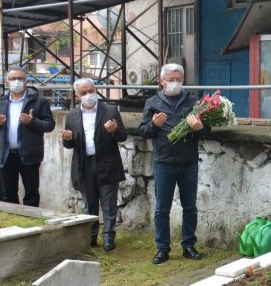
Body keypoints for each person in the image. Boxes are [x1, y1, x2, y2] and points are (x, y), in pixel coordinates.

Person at [137, 63, 205, 264]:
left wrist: (199, 128)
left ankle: (189, 246)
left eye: (178, 79)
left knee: (190, 207)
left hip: (188, 162)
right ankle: (162, 248)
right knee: (162, 209)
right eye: (171, 79)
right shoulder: (153, 102)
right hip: (163, 163)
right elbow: (142, 131)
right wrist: (153, 125)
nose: (175, 83)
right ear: (162, 81)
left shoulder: (193, 101)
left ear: (183, 80)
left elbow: (207, 130)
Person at [61, 78, 127, 251]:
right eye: (84, 93)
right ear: (77, 95)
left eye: (91, 91)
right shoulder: (72, 115)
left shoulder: (110, 110)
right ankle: (90, 236)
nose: (88, 95)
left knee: (108, 203)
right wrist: (67, 139)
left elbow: (122, 136)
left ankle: (108, 237)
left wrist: (114, 131)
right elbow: (69, 144)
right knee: (89, 204)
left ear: (95, 90)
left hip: (107, 162)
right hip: (84, 164)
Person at [0, 67, 55, 207]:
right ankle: (14, 223)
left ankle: (32, 222)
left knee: (31, 193)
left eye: (20, 79)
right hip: (6, 153)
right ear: (7, 81)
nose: (16, 82)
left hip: (29, 154)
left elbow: (49, 125)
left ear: (26, 81)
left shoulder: (39, 101)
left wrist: (32, 121)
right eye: (13, 79)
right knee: (8, 194)